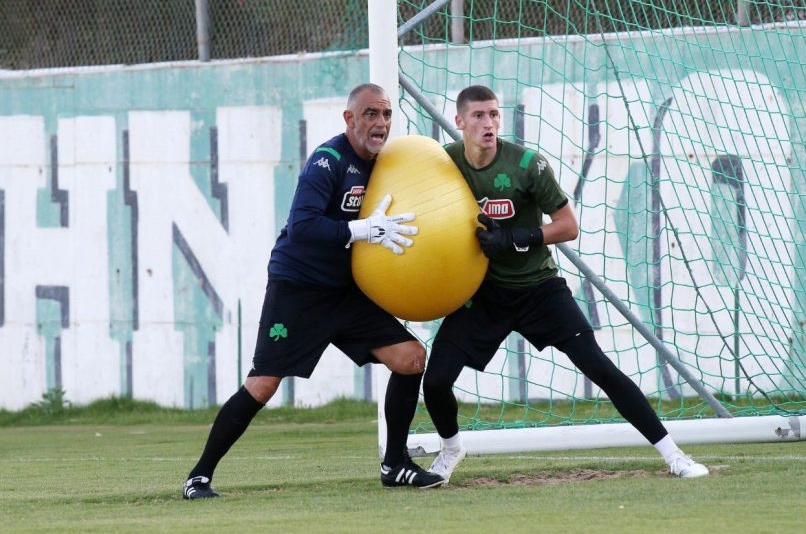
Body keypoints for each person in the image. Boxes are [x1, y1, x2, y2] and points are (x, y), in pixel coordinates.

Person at [422, 85, 709, 483]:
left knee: (600, 367)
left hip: (539, 289)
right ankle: (451, 450)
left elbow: (568, 226)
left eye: (493, 114)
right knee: (435, 381)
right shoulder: (443, 162)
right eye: (478, 116)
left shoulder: (527, 164)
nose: (488, 123)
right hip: (484, 295)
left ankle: (674, 455)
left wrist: (518, 238)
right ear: (459, 122)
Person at [182, 83, 446, 499]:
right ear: (349, 119)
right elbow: (303, 226)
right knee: (263, 385)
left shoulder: (387, 163)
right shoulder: (329, 160)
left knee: (411, 359)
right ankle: (198, 476)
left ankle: (395, 464)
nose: (380, 124)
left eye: (387, 114)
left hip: (345, 292)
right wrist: (361, 229)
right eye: (371, 114)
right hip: (298, 289)